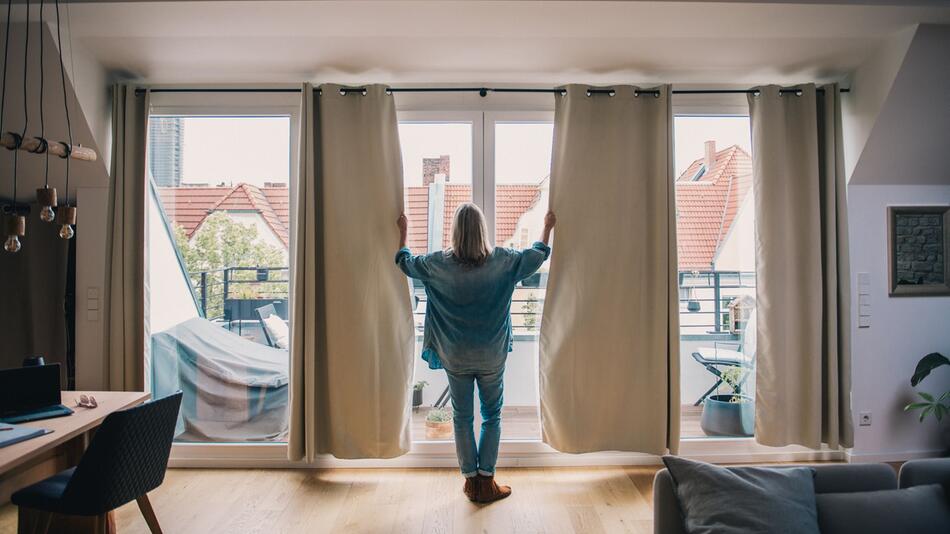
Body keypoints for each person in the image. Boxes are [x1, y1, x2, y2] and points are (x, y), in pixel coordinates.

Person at [395, 203, 555, 503]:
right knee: (492, 415)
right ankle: (487, 481)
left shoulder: (437, 264)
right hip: (491, 355)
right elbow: (537, 256)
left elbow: (405, 263)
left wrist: (404, 233)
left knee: (462, 417)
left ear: (455, 231)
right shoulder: (504, 261)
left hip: (455, 355)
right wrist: (547, 226)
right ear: (482, 229)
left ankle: (470, 481)